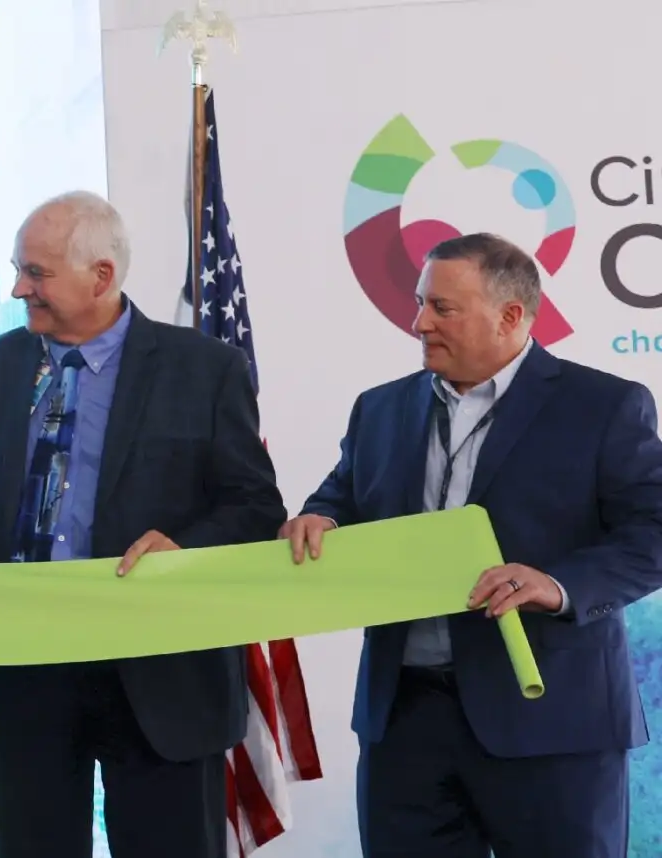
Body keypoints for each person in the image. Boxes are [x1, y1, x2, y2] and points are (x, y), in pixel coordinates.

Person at [0, 191, 283, 858]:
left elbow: (255, 507)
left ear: (102, 277)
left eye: (36, 273)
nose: (19, 288)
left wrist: (184, 547)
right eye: (18, 269)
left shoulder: (204, 369)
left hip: (162, 675)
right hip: (22, 669)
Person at [283, 233, 662, 857]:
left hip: (553, 724)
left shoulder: (604, 406)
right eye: (419, 303)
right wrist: (318, 519)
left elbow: (651, 532)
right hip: (403, 723)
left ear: (511, 316)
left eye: (441, 308)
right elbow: (342, 498)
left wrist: (558, 584)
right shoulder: (377, 409)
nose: (417, 323)